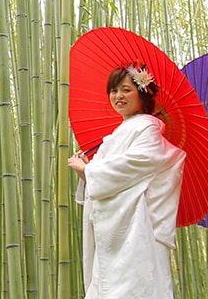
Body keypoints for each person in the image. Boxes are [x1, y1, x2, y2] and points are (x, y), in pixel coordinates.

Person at [67, 65, 186, 299]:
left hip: (134, 227)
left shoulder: (148, 128)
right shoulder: (121, 131)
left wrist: (89, 171)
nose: (118, 96)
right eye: (113, 90)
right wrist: (89, 172)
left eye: (126, 90)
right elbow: (116, 175)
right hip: (113, 231)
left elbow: (136, 164)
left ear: (142, 94)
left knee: (131, 287)